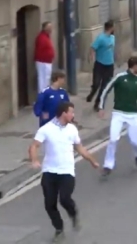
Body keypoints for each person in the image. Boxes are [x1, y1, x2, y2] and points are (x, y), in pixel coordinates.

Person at [29, 101, 99, 241]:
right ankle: (59, 229)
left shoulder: (72, 129)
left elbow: (79, 148)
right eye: (71, 112)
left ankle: (73, 214)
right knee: (50, 204)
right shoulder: (46, 129)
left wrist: (92, 160)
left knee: (65, 199)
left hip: (67, 171)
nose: (73, 115)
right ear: (63, 113)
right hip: (49, 171)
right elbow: (34, 146)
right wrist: (34, 160)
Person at [98, 57, 137, 176]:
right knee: (113, 139)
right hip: (118, 114)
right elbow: (106, 90)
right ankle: (108, 165)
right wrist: (101, 107)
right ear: (134, 66)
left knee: (135, 142)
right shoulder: (120, 77)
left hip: (133, 114)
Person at [86, 20, 116, 112]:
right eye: (113, 27)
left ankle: (98, 103)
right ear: (110, 28)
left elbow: (112, 50)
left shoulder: (113, 37)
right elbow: (93, 47)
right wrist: (90, 56)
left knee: (104, 87)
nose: (114, 29)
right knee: (96, 83)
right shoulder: (101, 38)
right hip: (100, 64)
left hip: (109, 65)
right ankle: (92, 93)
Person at [34, 21, 55, 93]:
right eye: (49, 27)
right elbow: (40, 50)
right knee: (43, 80)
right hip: (43, 62)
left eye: (51, 27)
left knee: (46, 80)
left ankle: (45, 96)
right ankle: (42, 97)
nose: (51, 29)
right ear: (44, 28)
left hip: (47, 61)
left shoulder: (47, 36)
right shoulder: (41, 37)